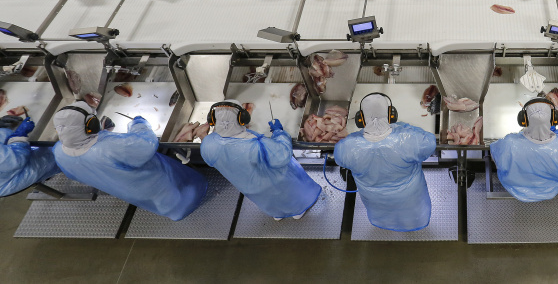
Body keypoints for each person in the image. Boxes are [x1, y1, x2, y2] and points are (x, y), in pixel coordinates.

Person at [52, 100, 207, 221]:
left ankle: (174, 211)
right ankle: (186, 206)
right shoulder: (108, 148)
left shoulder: (58, 151)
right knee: (180, 196)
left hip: (127, 190)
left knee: (160, 202)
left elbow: (74, 173)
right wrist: (139, 124)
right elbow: (146, 145)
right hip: (153, 183)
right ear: (90, 125)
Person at [201, 100, 321, 220]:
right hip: (278, 182)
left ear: (213, 119)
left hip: (252, 189)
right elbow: (282, 155)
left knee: (271, 202)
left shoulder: (208, 144)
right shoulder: (254, 145)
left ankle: (278, 214)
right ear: (242, 119)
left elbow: (211, 161)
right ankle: (299, 211)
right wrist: (279, 133)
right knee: (291, 195)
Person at [334, 93, 437, 232]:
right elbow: (430, 142)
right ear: (391, 115)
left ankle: (384, 224)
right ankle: (413, 224)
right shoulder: (408, 139)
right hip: (409, 197)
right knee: (413, 215)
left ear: (361, 119)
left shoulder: (347, 148)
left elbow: (340, 159)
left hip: (375, 200)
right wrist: (404, 127)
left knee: (383, 215)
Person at [490, 99, 558, 202]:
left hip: (514, 188)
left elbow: (495, 156)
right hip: (551, 189)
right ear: (554, 119)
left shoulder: (508, 144)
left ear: (524, 119)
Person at [0, 114, 60, 197]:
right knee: (58, 153)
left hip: (9, 163)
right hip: (11, 177)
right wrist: (19, 136)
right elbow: (15, 160)